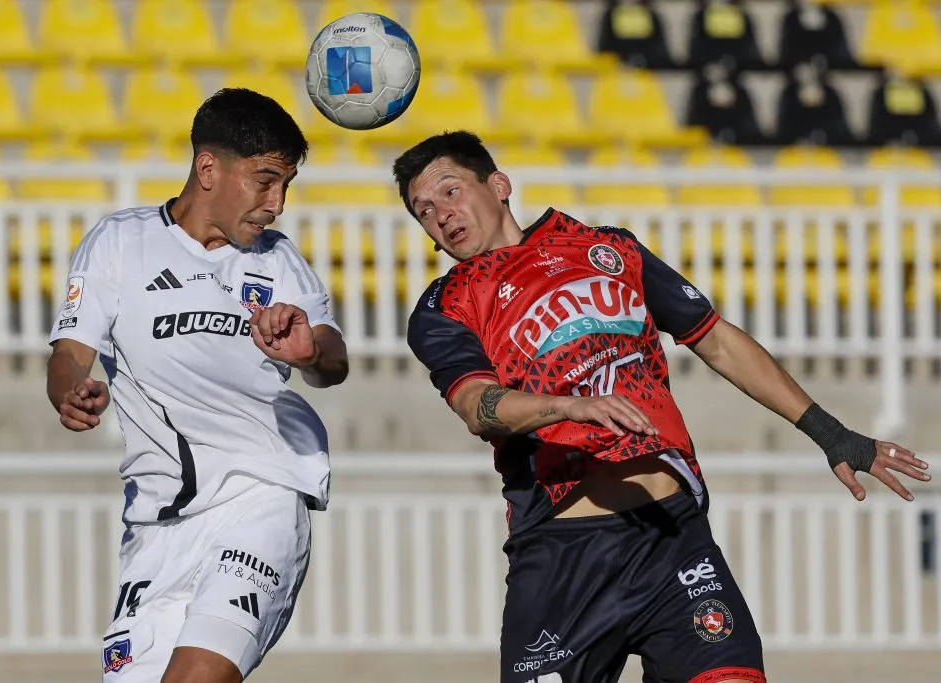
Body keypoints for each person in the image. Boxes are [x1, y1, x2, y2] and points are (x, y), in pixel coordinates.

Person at [394, 131, 930, 683]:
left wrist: (830, 432)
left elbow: (716, 339)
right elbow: (476, 406)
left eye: (451, 191)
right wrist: (565, 407)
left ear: (499, 184)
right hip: (563, 560)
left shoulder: (609, 248)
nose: (441, 215)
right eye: (424, 211)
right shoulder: (445, 306)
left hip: (673, 541)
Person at [46, 88, 348, 683]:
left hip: (260, 497)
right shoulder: (118, 243)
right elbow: (70, 353)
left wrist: (310, 350)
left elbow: (332, 358)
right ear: (208, 169)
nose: (278, 203)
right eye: (265, 181)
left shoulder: (279, 261)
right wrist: (69, 390)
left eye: (286, 185)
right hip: (156, 528)